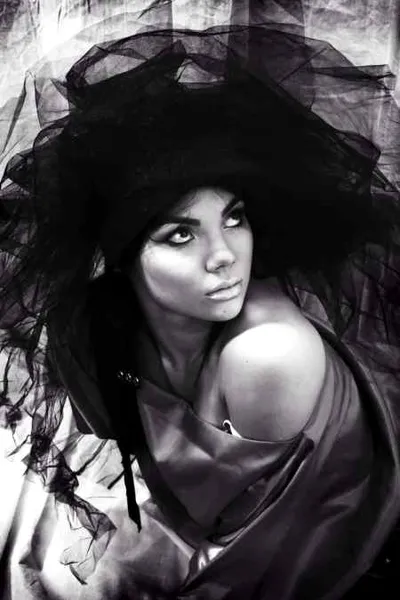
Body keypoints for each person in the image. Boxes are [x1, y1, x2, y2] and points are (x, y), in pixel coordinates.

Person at [1, 24, 400, 599]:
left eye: (234, 217)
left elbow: (280, 554)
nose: (224, 256)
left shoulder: (266, 352)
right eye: (181, 234)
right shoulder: (97, 326)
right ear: (116, 258)